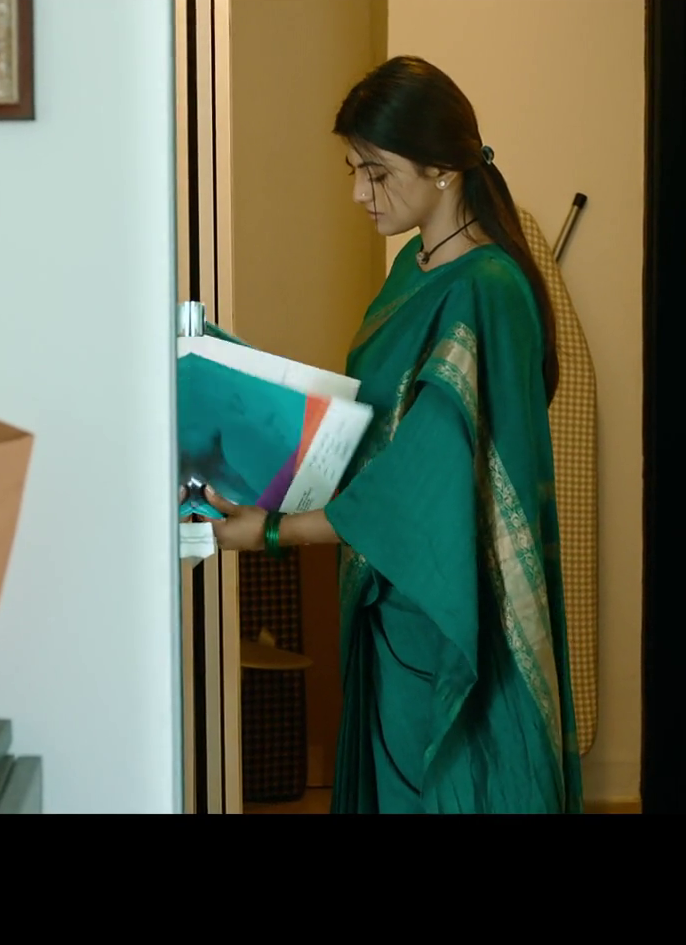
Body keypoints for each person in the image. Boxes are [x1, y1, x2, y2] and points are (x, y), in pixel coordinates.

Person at [198, 56, 585, 814]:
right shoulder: (418, 263)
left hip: (450, 605)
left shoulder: (489, 289)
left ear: (441, 168)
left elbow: (423, 479)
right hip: (389, 593)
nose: (358, 193)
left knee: (443, 788)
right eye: (354, 169)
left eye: (376, 173)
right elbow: (378, 418)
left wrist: (272, 533)